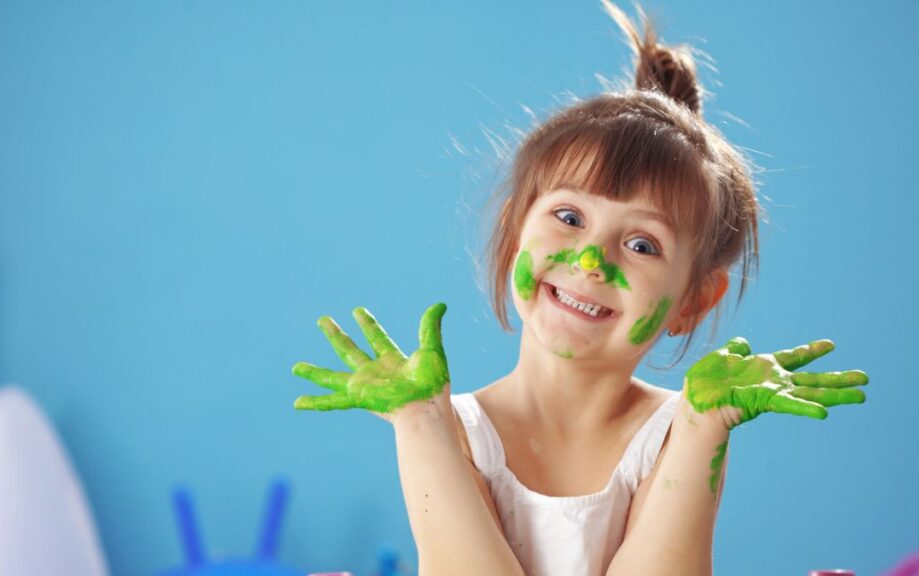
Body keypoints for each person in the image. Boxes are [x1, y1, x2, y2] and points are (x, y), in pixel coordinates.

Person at [290, 1, 869, 574]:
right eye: (569, 218)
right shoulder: (451, 425)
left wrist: (703, 427)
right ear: (517, 228)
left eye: (642, 245)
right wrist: (420, 424)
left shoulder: (679, 428)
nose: (591, 260)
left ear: (692, 301)